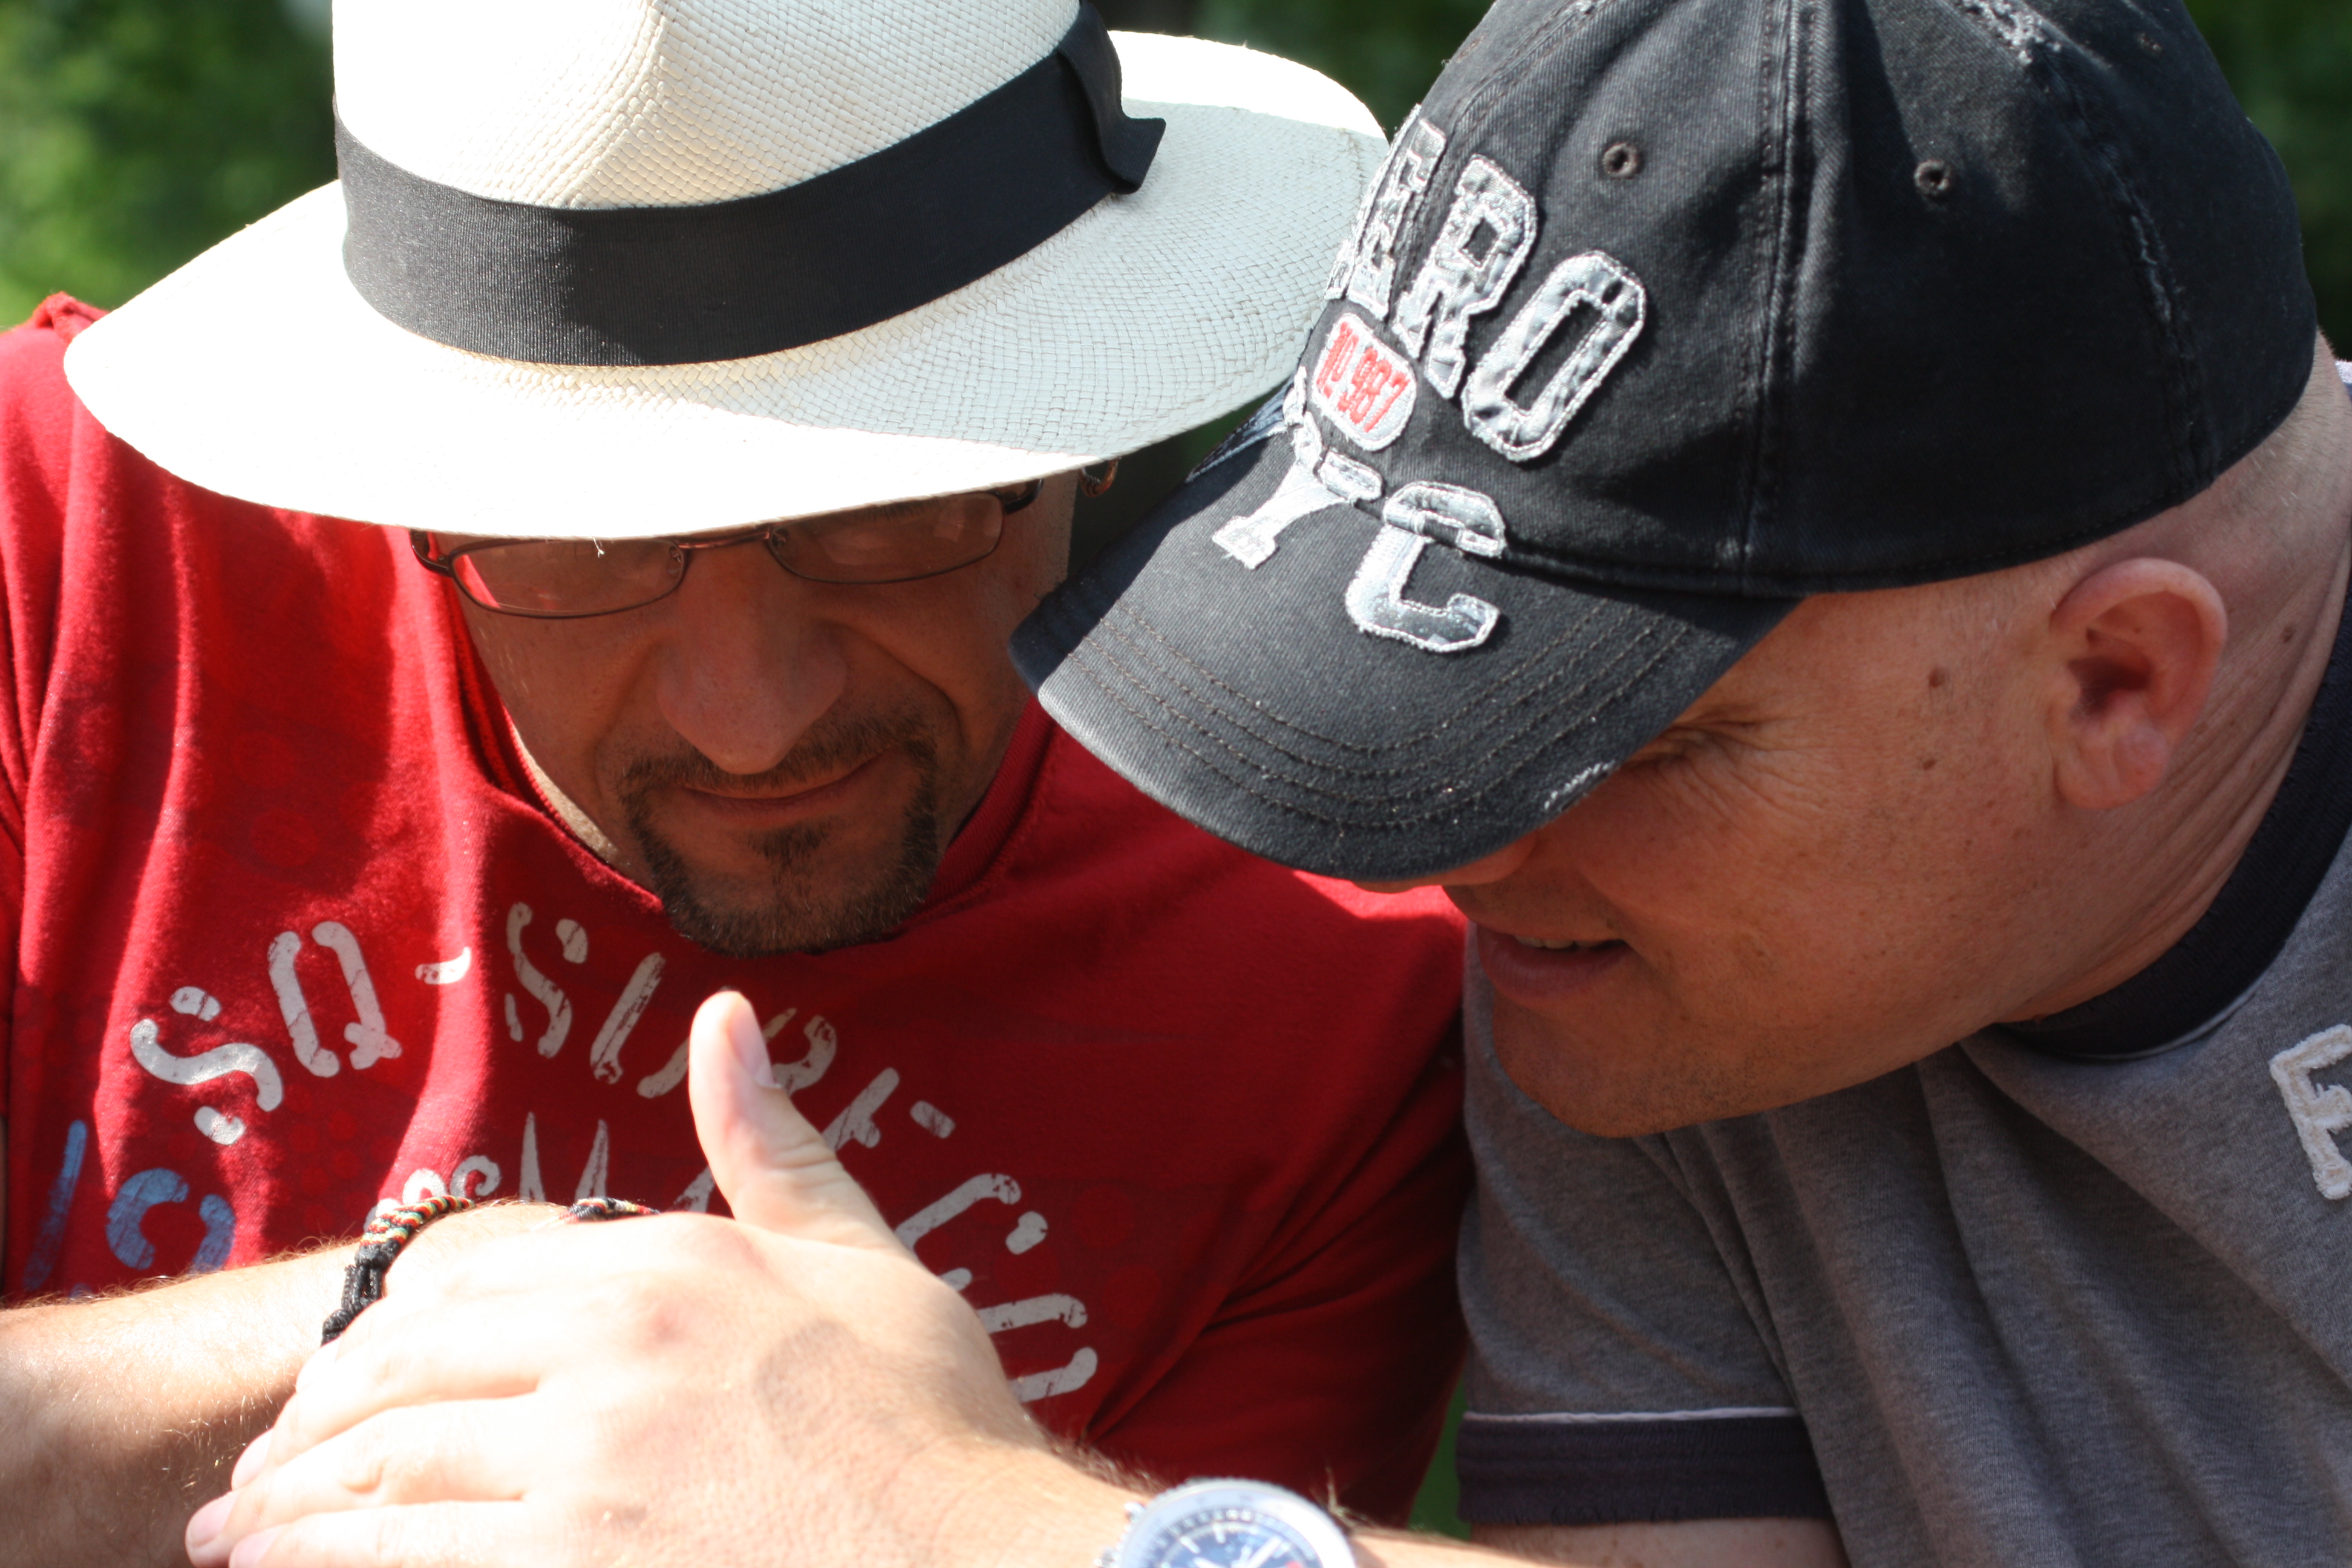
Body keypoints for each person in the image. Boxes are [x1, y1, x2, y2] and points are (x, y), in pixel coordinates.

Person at [187, 0, 2352, 1564]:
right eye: (1441, 698)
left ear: (2118, 681)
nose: (1459, 841)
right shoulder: (1637, 987)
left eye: (1621, 725)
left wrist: (982, 1529)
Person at [0, 1, 1480, 1563]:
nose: (751, 723)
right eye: (581, 542)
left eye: (889, 508)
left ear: (1094, 432)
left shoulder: (1329, 1010)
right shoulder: (64, 552)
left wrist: (919, 1506)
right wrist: (447, 1304)